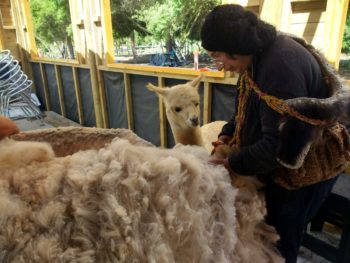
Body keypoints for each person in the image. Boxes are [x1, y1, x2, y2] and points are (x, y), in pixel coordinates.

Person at [200, 4, 339, 263]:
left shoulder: (280, 66)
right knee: (269, 232)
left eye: (219, 57)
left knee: (278, 242)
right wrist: (227, 135)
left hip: (303, 169)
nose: (221, 66)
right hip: (282, 160)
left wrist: (230, 164)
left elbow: (278, 147)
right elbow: (245, 109)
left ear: (235, 46)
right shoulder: (255, 58)